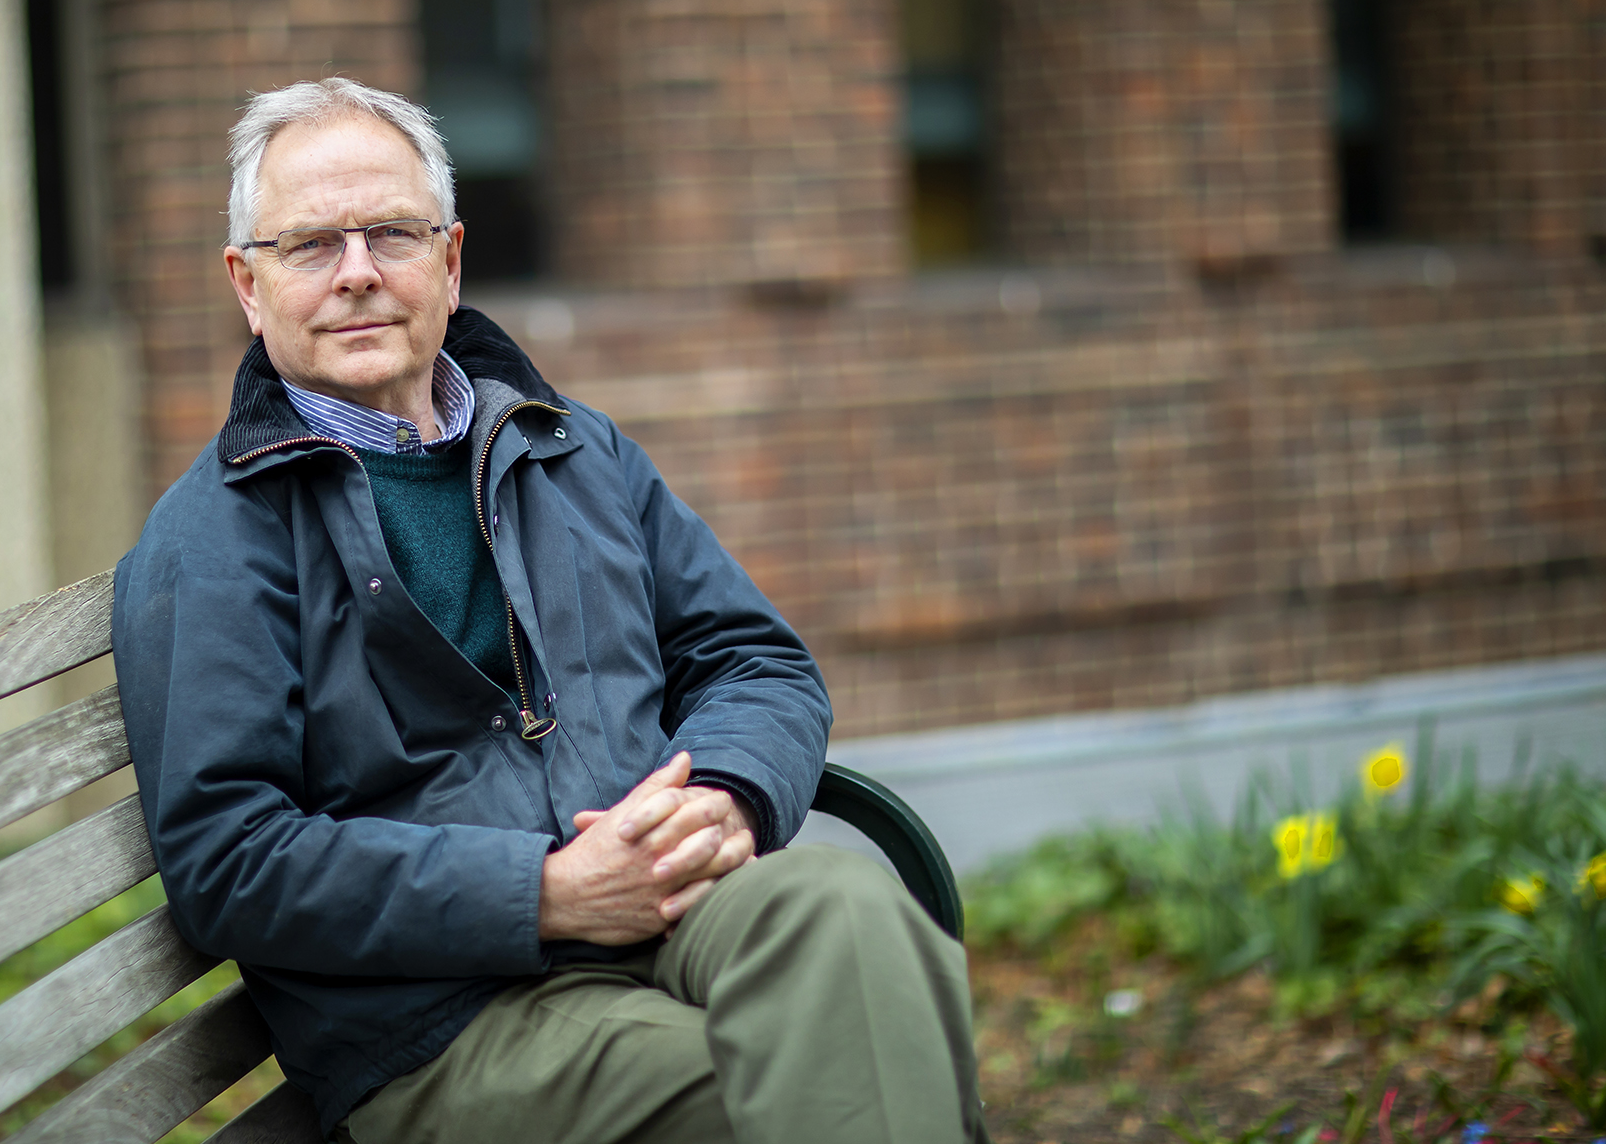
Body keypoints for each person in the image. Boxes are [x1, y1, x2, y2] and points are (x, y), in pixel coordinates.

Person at [112, 77, 990, 1144]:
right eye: (309, 246)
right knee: (796, 1091)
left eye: (391, 231)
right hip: (447, 1014)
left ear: (449, 258)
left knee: (849, 917)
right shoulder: (211, 538)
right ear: (247, 285)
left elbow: (751, 657)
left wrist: (724, 794)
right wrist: (541, 893)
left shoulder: (570, 446)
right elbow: (228, 860)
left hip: (672, 900)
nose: (357, 273)